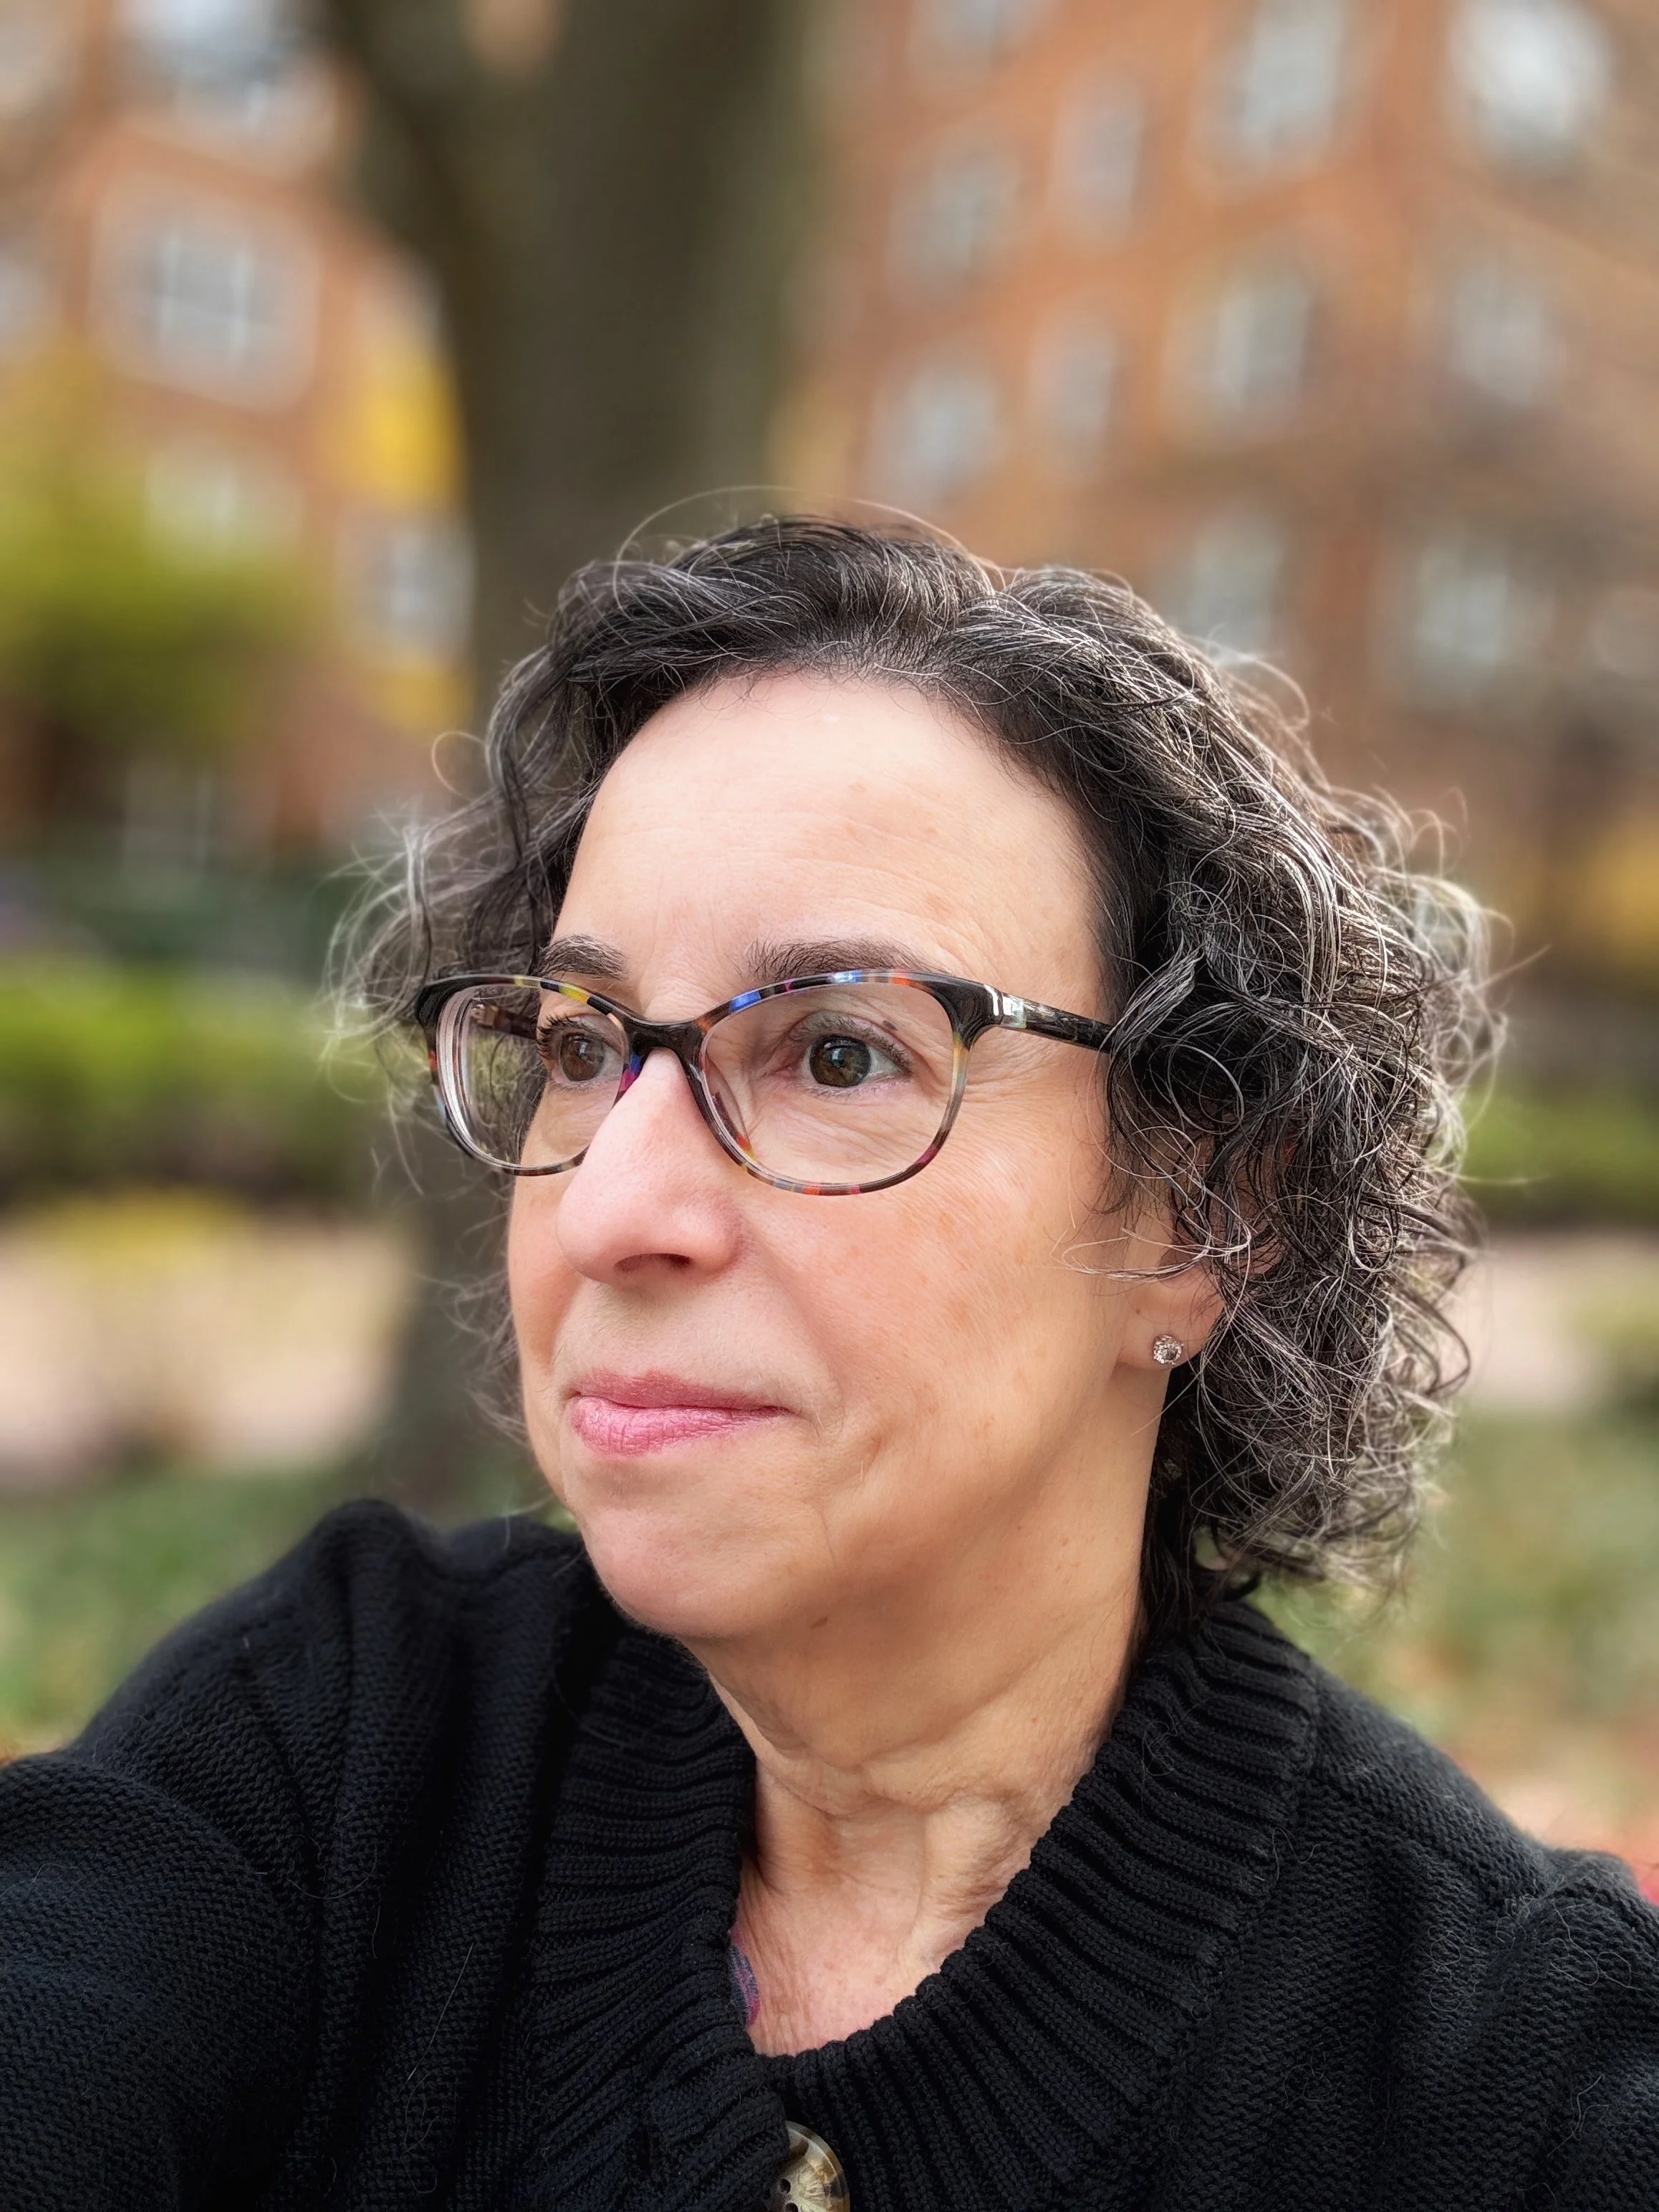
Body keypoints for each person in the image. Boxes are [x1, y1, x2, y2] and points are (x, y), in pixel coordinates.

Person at [1, 518, 1655, 2212]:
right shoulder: (337, 1748)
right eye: (580, 1045)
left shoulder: (1505, 2093)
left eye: (841, 1048)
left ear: (1208, 1215)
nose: (610, 1205)